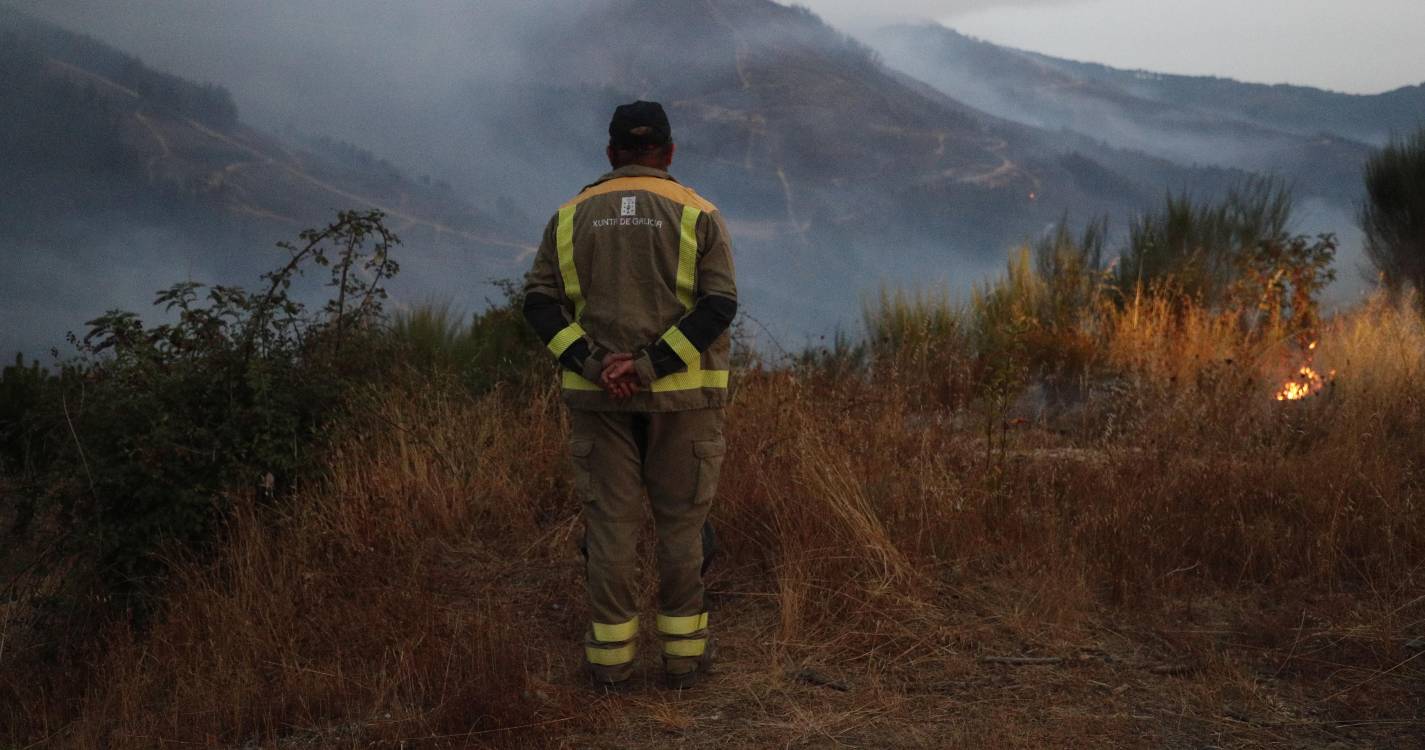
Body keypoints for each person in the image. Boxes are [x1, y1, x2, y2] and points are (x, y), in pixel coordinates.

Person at [522, 101, 738, 689]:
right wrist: (648, 368)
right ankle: (684, 659)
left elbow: (539, 304)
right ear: (668, 153)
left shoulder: (570, 217)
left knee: (611, 530)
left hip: (599, 402)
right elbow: (719, 307)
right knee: (682, 528)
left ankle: (610, 664)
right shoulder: (699, 214)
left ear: (611, 152)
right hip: (684, 401)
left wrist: (596, 365)